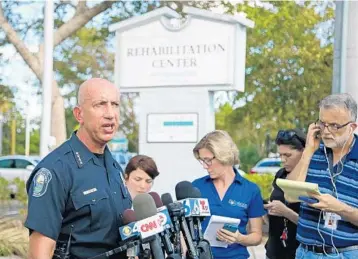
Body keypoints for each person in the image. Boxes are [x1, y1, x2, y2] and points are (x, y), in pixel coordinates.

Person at [25, 78, 132, 259]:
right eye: (100, 105)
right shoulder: (55, 170)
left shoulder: (114, 167)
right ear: (79, 114)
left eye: (115, 105)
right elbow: (40, 253)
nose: (110, 114)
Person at [287, 93, 358, 259]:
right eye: (322, 124)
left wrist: (339, 208)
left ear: (352, 127)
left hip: (345, 254)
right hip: (305, 252)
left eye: (334, 126)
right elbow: (290, 196)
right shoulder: (314, 151)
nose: (326, 132)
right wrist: (308, 151)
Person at [192, 130, 265, 259]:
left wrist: (239, 238)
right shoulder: (196, 187)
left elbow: (257, 236)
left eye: (208, 160)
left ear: (224, 156)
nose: (205, 166)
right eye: (202, 161)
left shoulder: (251, 190)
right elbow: (184, 230)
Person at [264, 129, 306, 259]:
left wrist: (286, 212)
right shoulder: (280, 174)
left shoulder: (313, 178)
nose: (283, 160)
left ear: (303, 152)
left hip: (298, 252)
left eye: (288, 155)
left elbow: (314, 225)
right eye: (280, 155)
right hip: (274, 251)